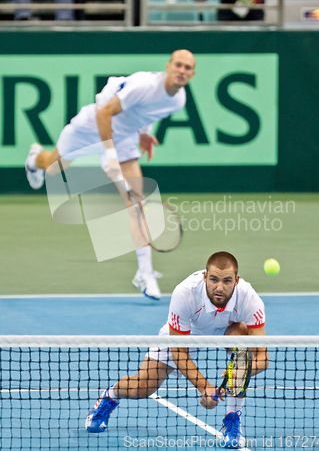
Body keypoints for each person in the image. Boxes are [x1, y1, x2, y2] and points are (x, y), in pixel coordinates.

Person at [25, 49, 196, 300]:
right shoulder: (144, 85)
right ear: (168, 66)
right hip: (92, 126)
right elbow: (104, 112)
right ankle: (34, 159)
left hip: (124, 137)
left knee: (136, 202)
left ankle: (145, 273)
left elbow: (143, 114)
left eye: (187, 68)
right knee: (54, 166)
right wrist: (110, 155)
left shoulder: (177, 100)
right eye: (178, 65)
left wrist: (144, 134)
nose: (182, 71)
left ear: (192, 73)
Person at [85, 251, 268, 447]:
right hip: (187, 331)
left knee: (242, 347)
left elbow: (262, 357)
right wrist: (204, 387)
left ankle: (232, 420)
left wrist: (241, 371)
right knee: (143, 386)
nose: (219, 287)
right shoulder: (185, 292)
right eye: (213, 279)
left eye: (227, 281)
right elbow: (178, 351)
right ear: (205, 276)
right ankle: (109, 397)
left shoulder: (249, 299)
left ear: (236, 280)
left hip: (228, 330)